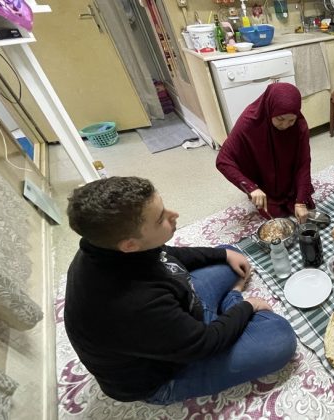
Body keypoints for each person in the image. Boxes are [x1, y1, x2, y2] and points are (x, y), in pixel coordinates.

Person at [63, 176, 297, 404]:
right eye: (160, 219)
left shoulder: (105, 246)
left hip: (178, 318)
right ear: (130, 245)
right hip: (166, 372)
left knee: (230, 257)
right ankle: (231, 302)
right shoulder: (134, 303)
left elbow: (165, 254)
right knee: (279, 339)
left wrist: (223, 254)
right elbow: (204, 344)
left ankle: (224, 310)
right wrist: (248, 305)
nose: (174, 215)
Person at [216, 82, 314, 223]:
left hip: (288, 175)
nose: (285, 125)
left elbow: (304, 163)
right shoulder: (249, 122)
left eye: (291, 120)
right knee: (274, 214)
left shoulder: (299, 124)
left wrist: (300, 202)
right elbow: (223, 160)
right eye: (280, 119)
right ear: (270, 109)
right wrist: (251, 188)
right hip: (263, 177)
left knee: (304, 206)